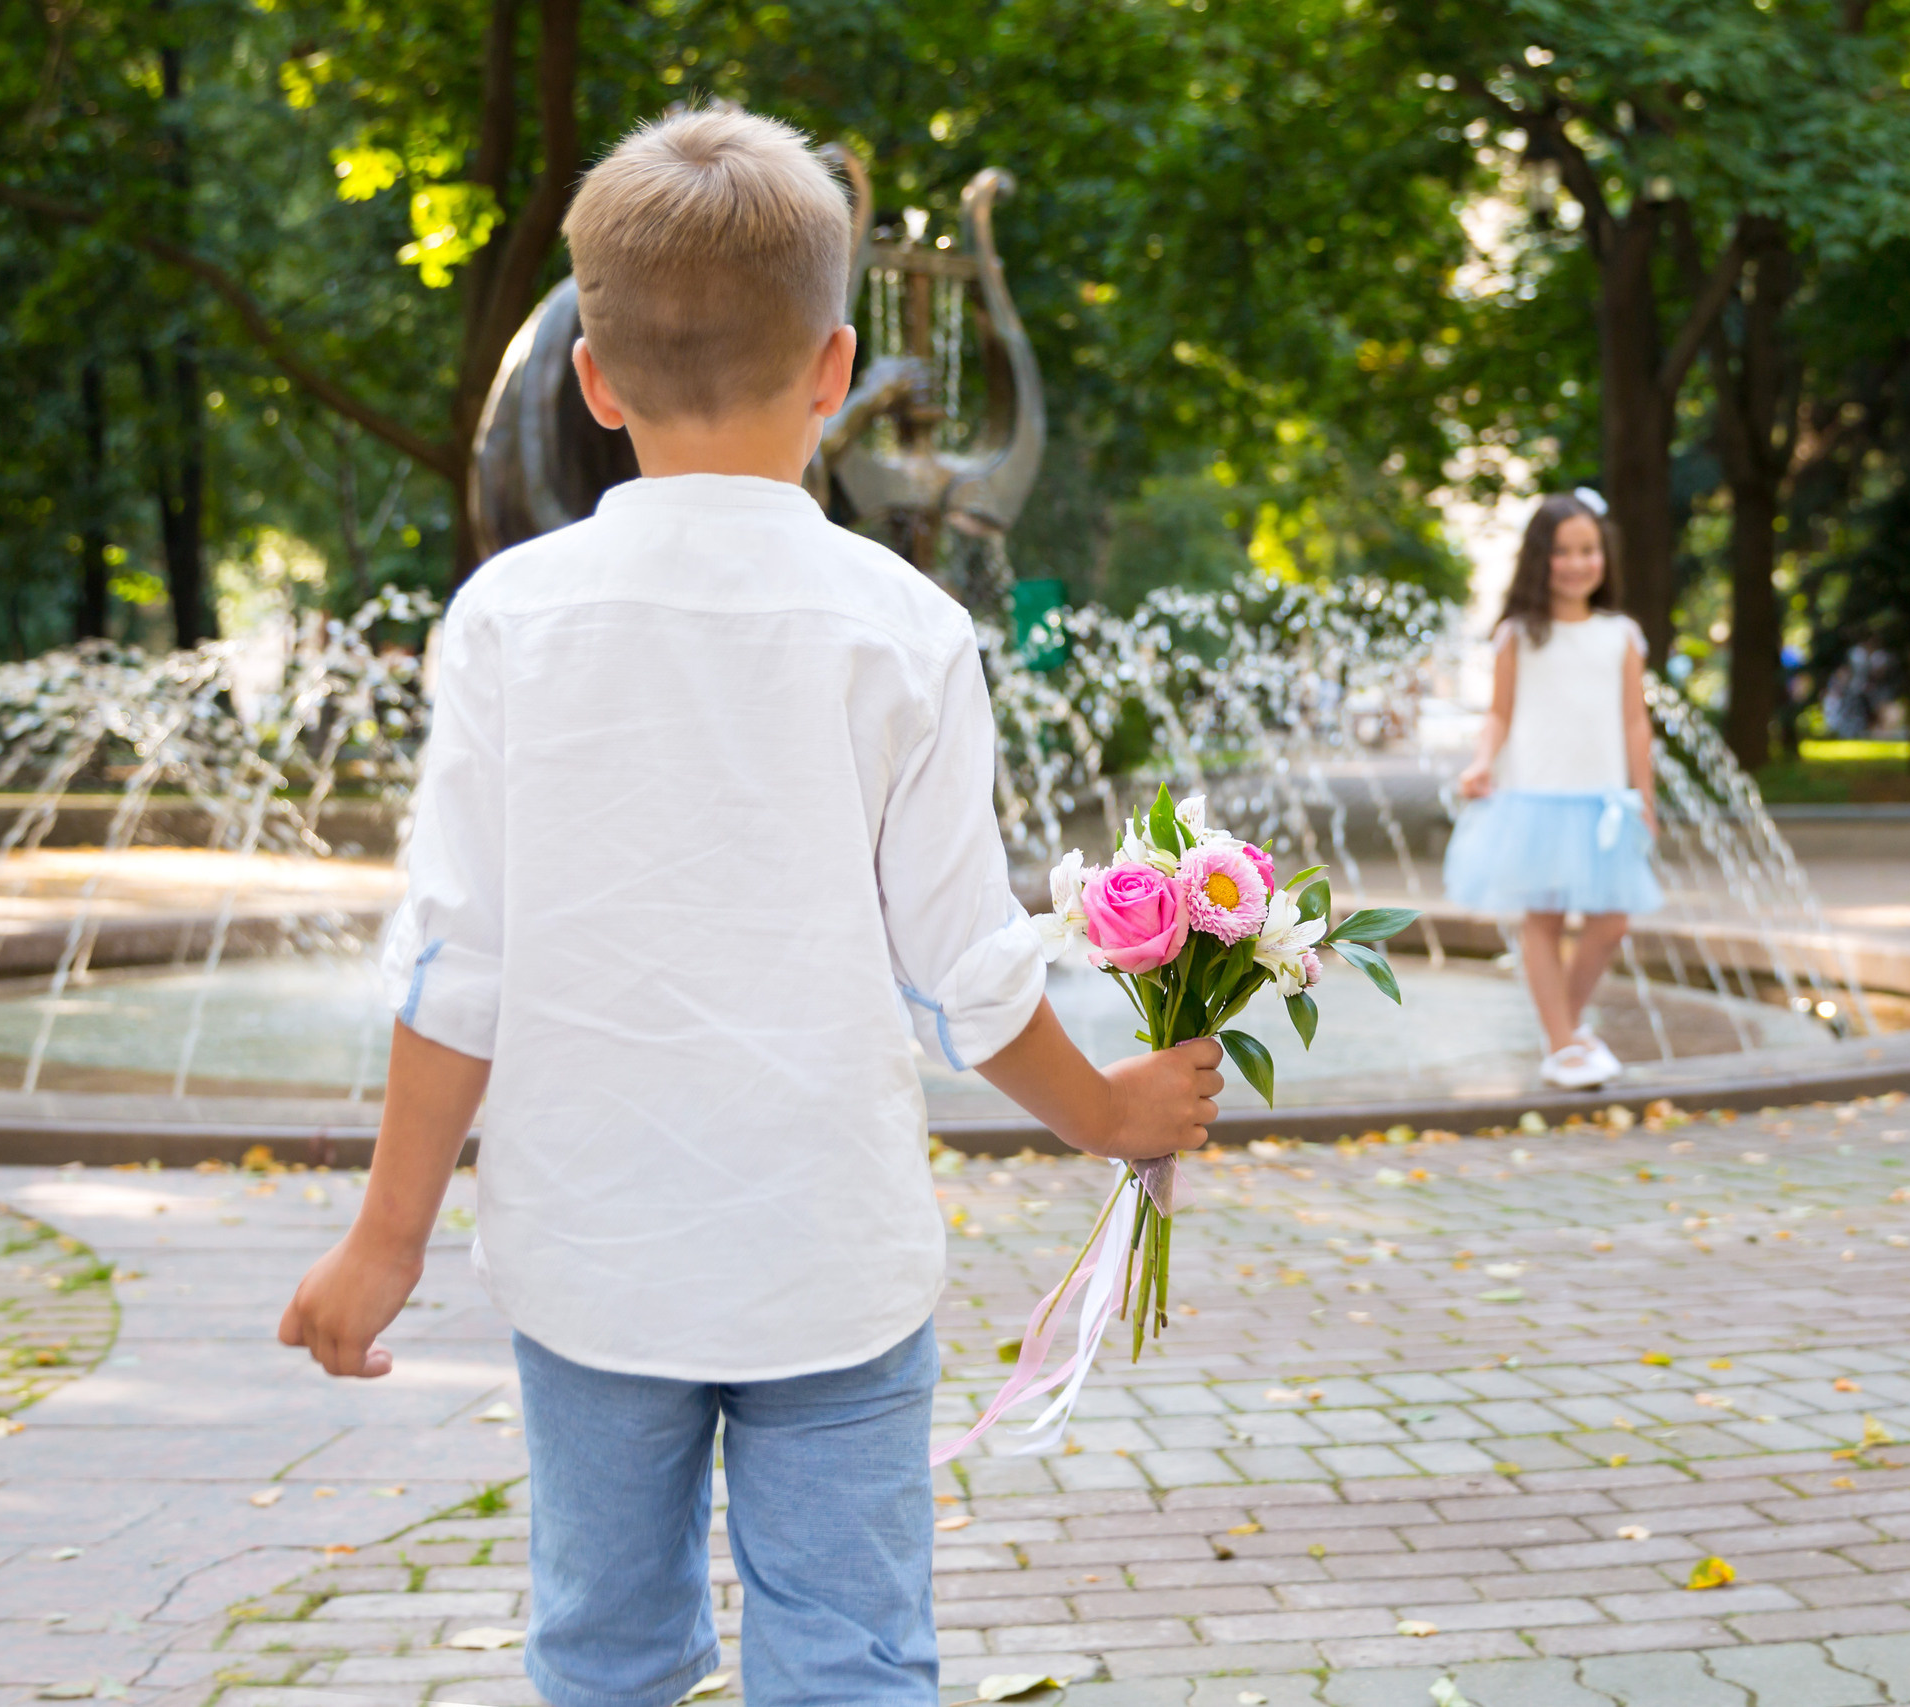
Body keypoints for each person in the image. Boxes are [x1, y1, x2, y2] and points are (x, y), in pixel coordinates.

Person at [274, 109, 1222, 1707]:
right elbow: (967, 975)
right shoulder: (905, 628)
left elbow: (458, 967)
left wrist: (388, 1235)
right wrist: (1109, 1108)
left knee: (607, 1650)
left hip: (592, 1258)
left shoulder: (509, 620)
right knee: (850, 1659)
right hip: (830, 1259)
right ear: (837, 367)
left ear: (591, 378)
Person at [1448, 491, 1662, 1089]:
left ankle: (1561, 1030)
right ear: (1539, 559)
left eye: (1588, 550)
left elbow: (1633, 722)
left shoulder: (1621, 634)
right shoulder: (1519, 634)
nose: (1576, 563)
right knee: (1541, 921)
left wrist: (1645, 796)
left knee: (1611, 922)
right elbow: (1499, 714)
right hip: (1534, 799)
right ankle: (1565, 1042)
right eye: (1562, 552)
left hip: (1603, 805)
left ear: (1605, 556)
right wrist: (1482, 762)